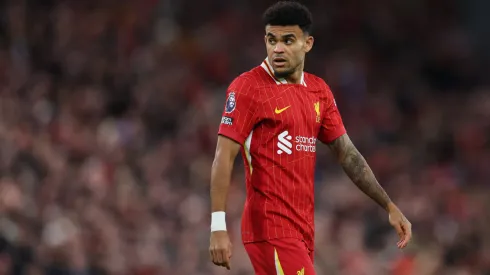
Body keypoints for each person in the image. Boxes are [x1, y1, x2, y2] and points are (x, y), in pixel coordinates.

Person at [209, 1, 412, 274]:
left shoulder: (319, 91)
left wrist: (388, 205)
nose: (277, 48)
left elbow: (348, 154)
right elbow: (224, 156)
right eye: (272, 40)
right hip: (270, 227)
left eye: (288, 40)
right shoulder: (248, 87)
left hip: (303, 229)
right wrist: (218, 227)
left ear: (308, 43)